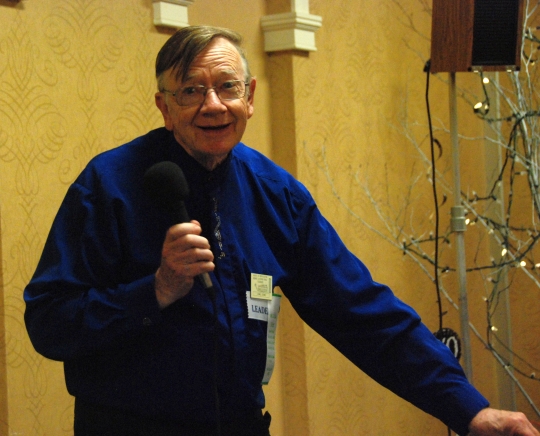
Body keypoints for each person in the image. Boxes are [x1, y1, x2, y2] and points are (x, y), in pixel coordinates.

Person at [23, 25, 539, 436]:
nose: (213, 104)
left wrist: (469, 409)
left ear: (249, 97)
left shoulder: (275, 193)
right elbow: (49, 322)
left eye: (227, 87)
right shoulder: (108, 185)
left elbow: (362, 312)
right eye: (191, 90)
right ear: (164, 107)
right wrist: (155, 290)